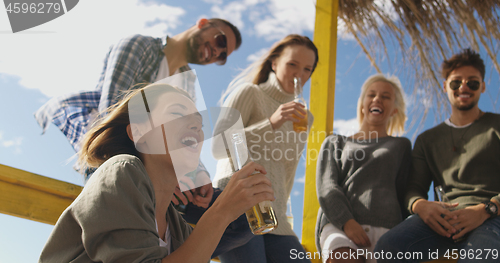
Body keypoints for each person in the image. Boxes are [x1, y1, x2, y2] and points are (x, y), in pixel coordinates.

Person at [39, 82, 275, 263]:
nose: (196, 126)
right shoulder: (121, 170)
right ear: (139, 133)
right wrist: (221, 211)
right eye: (177, 114)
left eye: (199, 123)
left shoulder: (177, 228)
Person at [34, 17, 241, 209]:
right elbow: (113, 114)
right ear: (203, 23)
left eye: (222, 56)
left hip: (156, 170)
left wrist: (198, 177)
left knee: (233, 219)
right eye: (220, 41)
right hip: (112, 155)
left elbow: (185, 136)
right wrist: (160, 175)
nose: (216, 52)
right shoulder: (139, 46)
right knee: (128, 221)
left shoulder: (187, 82)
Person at [374, 48, 500, 262]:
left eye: (473, 82)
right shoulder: (427, 139)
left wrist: (486, 209)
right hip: (444, 220)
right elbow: (414, 188)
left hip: (491, 216)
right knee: (388, 247)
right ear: (445, 86)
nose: (463, 87)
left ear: (483, 87)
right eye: (455, 82)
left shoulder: (496, 126)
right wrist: (420, 205)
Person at [211, 34, 318, 263]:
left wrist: (280, 208)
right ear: (274, 62)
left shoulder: (305, 118)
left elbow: (289, 169)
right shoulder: (250, 92)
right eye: (292, 64)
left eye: (307, 69)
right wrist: (271, 123)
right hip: (236, 206)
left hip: (275, 216)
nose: (299, 74)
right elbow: (218, 146)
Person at [315, 74, 411, 263]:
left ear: (394, 110)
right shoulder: (335, 142)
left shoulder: (401, 145)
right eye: (371, 94)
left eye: (385, 96)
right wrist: (346, 222)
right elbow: (327, 186)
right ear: (362, 104)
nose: (377, 99)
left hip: (387, 231)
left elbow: (404, 193)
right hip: (339, 225)